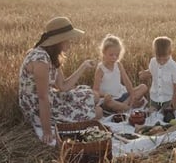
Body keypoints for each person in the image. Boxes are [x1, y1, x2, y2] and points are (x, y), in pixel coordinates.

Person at [18, 16, 103, 145]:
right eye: (68, 39)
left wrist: (83, 66)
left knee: (94, 96)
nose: (70, 42)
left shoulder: (51, 56)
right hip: (37, 109)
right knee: (98, 112)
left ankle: (91, 105)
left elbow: (63, 86)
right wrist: (47, 131)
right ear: (59, 41)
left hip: (51, 99)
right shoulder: (40, 60)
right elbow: (42, 97)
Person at [93, 34, 148, 112]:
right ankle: (129, 108)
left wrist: (132, 95)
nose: (114, 57)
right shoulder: (101, 69)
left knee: (143, 87)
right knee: (109, 103)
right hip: (110, 99)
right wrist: (105, 95)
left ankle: (124, 106)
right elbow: (95, 90)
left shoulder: (118, 65)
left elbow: (126, 81)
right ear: (104, 53)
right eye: (111, 55)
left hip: (122, 95)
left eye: (117, 55)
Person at [139, 36, 176, 110]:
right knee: (151, 115)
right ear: (154, 53)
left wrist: (174, 100)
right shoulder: (153, 62)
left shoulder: (174, 66)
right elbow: (150, 72)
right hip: (154, 98)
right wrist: (143, 74)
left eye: (165, 58)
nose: (161, 61)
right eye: (158, 58)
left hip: (168, 99)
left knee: (167, 116)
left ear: (170, 53)